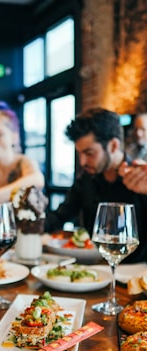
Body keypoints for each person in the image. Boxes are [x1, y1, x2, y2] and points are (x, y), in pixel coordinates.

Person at [44, 107, 147, 263]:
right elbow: (58, 217)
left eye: (89, 153)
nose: (82, 162)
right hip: (95, 270)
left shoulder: (141, 179)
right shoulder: (86, 180)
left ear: (113, 145)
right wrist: (29, 219)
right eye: (80, 153)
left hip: (135, 276)